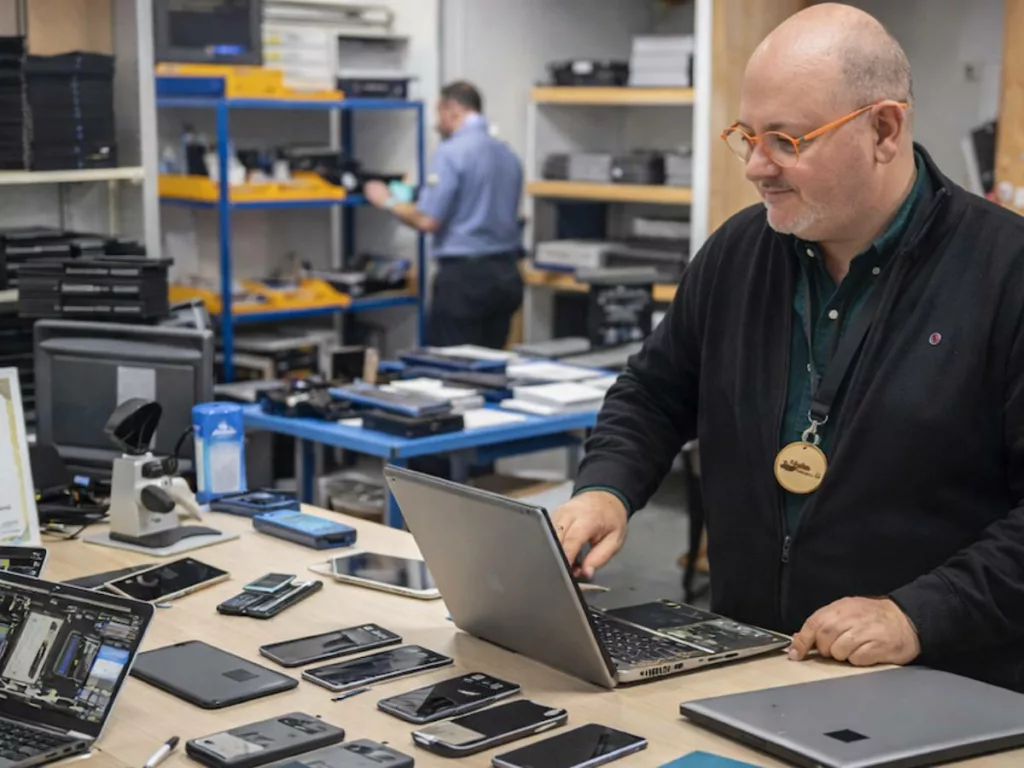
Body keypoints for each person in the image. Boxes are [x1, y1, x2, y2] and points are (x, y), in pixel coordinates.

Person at [552, 2, 1024, 692]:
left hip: (938, 685)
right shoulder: (737, 253)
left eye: (786, 140)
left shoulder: (1005, 273)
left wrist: (918, 614)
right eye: (747, 136)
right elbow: (653, 393)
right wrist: (605, 489)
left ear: (884, 130)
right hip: (745, 664)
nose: (755, 166)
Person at [364, 80, 524, 349]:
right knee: (491, 363)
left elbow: (428, 220)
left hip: (466, 280)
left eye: (439, 114)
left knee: (451, 365)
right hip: (507, 275)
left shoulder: (450, 153)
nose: (437, 124)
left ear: (453, 110)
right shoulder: (508, 154)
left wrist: (387, 201)